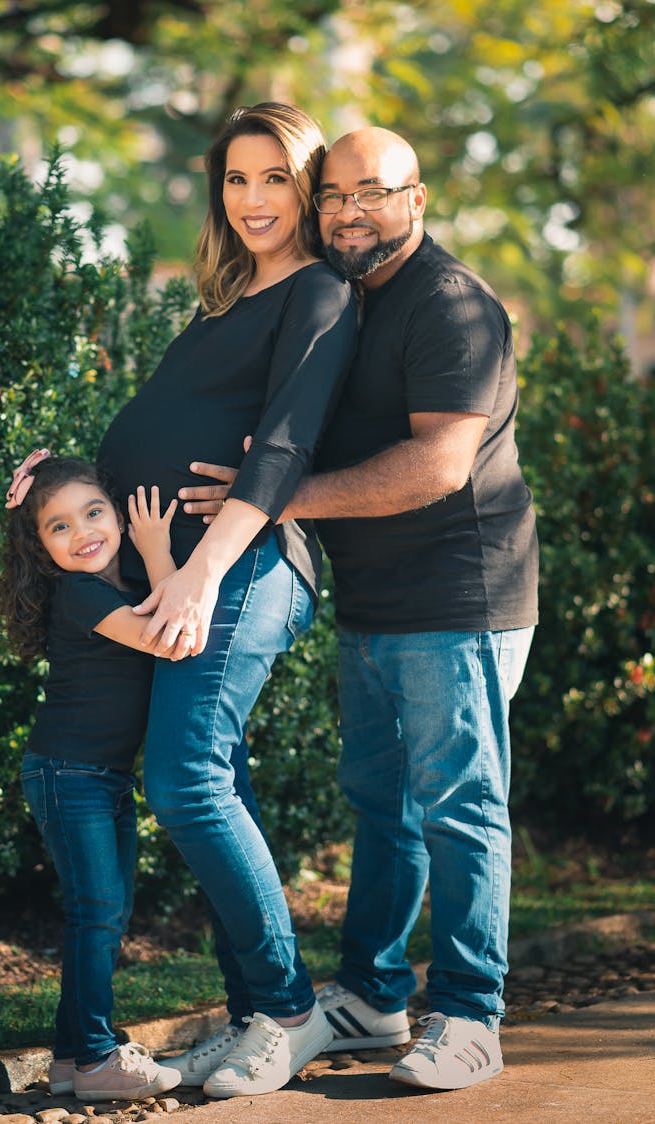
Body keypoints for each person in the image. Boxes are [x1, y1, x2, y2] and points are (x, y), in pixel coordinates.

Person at [179, 125, 539, 1093]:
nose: (349, 211)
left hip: (462, 595)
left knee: (459, 806)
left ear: (417, 199)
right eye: (333, 194)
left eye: (373, 193)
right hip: (373, 599)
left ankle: (468, 1013)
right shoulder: (342, 300)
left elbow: (438, 464)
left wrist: (270, 499)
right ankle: (375, 993)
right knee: (385, 806)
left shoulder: (449, 304)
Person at [96, 103, 358, 1098]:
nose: (253, 200)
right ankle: (258, 1012)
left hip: (246, 565)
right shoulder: (228, 292)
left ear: (306, 186)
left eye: (274, 179)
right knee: (215, 786)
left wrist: (203, 570)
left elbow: (286, 444)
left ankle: (289, 1011)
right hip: (182, 561)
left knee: (186, 780)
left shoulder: (319, 292)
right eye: (236, 180)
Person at [0, 449, 183, 1101]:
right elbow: (173, 638)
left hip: (99, 776)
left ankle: (71, 1059)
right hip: (67, 773)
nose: (83, 534)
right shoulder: (81, 595)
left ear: (113, 511)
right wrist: (158, 547)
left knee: (104, 912)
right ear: (41, 546)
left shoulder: (110, 589)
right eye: (59, 526)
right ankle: (100, 1057)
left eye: (93, 512)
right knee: (98, 912)